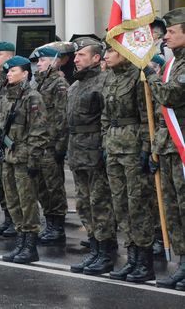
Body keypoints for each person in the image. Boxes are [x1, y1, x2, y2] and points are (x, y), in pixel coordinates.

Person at [101, 44, 154, 282]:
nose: (106, 56)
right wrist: (105, 141)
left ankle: (145, 261)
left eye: (111, 51)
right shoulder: (110, 78)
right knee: (120, 204)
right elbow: (105, 115)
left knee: (138, 205)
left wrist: (146, 149)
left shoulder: (138, 76)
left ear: (124, 52)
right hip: (113, 146)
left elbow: (146, 117)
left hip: (132, 148)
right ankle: (131, 257)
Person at [0, 56, 49, 264]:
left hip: (24, 158)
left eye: (13, 71)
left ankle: (30, 246)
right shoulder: (5, 97)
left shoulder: (33, 97)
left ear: (25, 74)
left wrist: (33, 159)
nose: (8, 74)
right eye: (7, 71)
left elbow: (39, 131)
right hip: (8, 157)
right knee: (13, 202)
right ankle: (21, 241)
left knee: (27, 203)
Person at [66, 37, 116, 275]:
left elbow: (107, 120)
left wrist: (104, 150)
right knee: (84, 205)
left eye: (81, 55)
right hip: (77, 152)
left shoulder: (104, 82)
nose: (76, 59)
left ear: (96, 58)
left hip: (95, 151)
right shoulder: (75, 86)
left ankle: (106, 252)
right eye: (75, 56)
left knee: (100, 205)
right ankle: (95, 249)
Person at [144, 8, 185, 291]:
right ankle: (183, 263)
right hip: (169, 147)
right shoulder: (174, 64)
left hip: (182, 147)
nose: (166, 36)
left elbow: (171, 96)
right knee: (173, 210)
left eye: (171, 31)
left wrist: (151, 75)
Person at [30, 47, 69, 245]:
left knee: (54, 187)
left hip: (51, 144)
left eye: (43, 60)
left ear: (55, 61)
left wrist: (60, 147)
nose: (39, 63)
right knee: (41, 186)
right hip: (39, 143)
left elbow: (62, 117)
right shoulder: (38, 83)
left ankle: (57, 225)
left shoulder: (59, 83)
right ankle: (49, 220)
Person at [0, 41, 17, 237]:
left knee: (10, 182)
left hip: (10, 138)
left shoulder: (13, 78)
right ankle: (7, 216)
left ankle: (16, 219)